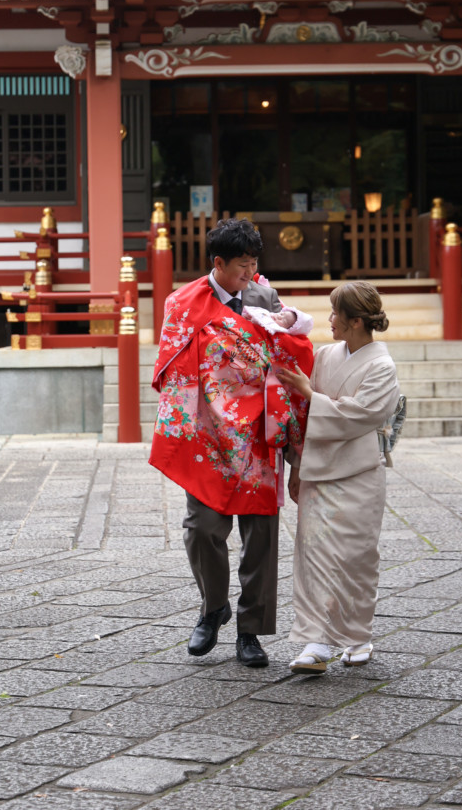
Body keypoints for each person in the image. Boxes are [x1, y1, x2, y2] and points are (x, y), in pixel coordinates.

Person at [150, 218, 313, 668]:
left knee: (259, 534)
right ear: (217, 263)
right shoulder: (183, 303)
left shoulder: (265, 298)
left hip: (259, 433)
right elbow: (172, 365)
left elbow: (289, 354)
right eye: (242, 266)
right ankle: (212, 606)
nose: (250, 274)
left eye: (254, 264)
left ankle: (251, 630)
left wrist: (292, 444)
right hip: (207, 430)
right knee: (202, 528)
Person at [275, 281, 400, 674]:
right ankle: (315, 642)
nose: (328, 320)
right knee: (313, 555)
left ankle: (357, 635)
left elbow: (361, 415)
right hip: (317, 470)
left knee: (356, 557)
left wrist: (311, 394)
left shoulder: (382, 366)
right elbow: (303, 418)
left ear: (356, 321)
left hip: (359, 473)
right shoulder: (325, 355)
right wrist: (296, 467)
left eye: (334, 315)